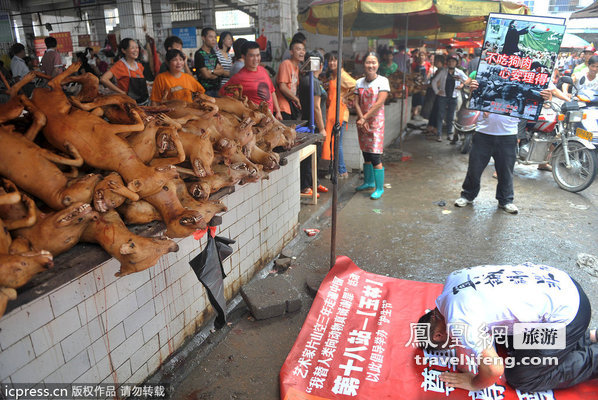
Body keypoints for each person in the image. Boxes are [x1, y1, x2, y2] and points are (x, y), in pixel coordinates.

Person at [418, 263, 598, 393]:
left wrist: (474, 383)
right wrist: (463, 358)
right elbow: (460, 324)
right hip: (562, 283)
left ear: (439, 335)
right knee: (507, 340)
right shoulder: (453, 280)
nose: (456, 345)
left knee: (522, 376)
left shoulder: (460, 322)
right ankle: (590, 337)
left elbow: (495, 369)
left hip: (569, 315)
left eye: (448, 346)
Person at [454, 80, 552, 214]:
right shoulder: (488, 88)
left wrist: (543, 97)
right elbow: (473, 103)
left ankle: (506, 200)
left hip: (508, 135)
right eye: (503, 90)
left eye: (507, 91)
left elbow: (534, 106)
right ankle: (467, 195)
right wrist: (473, 91)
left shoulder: (519, 96)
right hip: (483, 133)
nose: (505, 92)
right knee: (474, 168)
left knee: (506, 171)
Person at [354, 52, 390, 200]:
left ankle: (379, 188)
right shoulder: (359, 82)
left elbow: (379, 103)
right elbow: (356, 102)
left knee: (375, 155)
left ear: (378, 65)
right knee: (366, 153)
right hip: (362, 122)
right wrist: (362, 119)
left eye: (373, 62)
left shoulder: (383, 81)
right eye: (368, 62)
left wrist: (365, 118)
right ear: (364, 64)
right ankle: (368, 182)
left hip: (376, 123)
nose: (371, 65)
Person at [220, 41, 282, 119]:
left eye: (258, 55)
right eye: (252, 56)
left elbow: (272, 91)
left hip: (270, 118)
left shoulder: (263, 70)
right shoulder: (239, 77)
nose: (256, 59)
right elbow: (222, 95)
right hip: (255, 122)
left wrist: (278, 111)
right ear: (243, 57)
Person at [297, 50, 328, 197]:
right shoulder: (312, 82)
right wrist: (322, 129)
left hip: (310, 121)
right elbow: (316, 107)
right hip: (313, 124)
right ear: (320, 65)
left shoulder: (307, 80)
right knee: (310, 156)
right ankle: (305, 186)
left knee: (314, 155)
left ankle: (313, 183)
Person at [322, 51, 356, 179]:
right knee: (334, 143)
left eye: (335, 60)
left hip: (340, 114)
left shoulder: (342, 75)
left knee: (337, 143)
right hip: (333, 113)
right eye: (330, 60)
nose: (332, 63)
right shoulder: (334, 75)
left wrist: (344, 98)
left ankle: (342, 171)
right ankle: (336, 170)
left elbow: (356, 86)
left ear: (340, 62)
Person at [431, 53, 469, 142]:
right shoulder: (443, 72)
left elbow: (467, 80)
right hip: (443, 97)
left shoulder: (459, 72)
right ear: (447, 63)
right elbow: (434, 81)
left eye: (453, 61)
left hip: (454, 97)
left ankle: (449, 134)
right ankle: (439, 135)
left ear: (456, 63)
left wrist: (462, 85)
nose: (451, 63)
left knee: (451, 116)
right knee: (440, 115)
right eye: (450, 61)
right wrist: (437, 91)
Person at [100, 38, 149, 105]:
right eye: (132, 48)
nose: (136, 50)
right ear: (124, 50)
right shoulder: (120, 65)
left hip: (143, 102)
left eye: (137, 47)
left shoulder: (139, 66)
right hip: (128, 103)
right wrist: (121, 92)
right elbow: (104, 79)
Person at [276, 39, 305, 120]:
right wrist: (297, 100)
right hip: (282, 107)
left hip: (289, 107)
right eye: (298, 49)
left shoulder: (297, 68)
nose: (302, 52)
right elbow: (282, 86)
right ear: (291, 52)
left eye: (303, 49)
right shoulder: (286, 64)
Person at [194, 28, 225, 97]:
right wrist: (216, 72)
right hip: (206, 92)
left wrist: (211, 71)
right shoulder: (199, 54)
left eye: (215, 37)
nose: (214, 39)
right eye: (211, 37)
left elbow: (222, 71)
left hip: (217, 89)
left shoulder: (213, 53)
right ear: (203, 38)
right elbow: (206, 75)